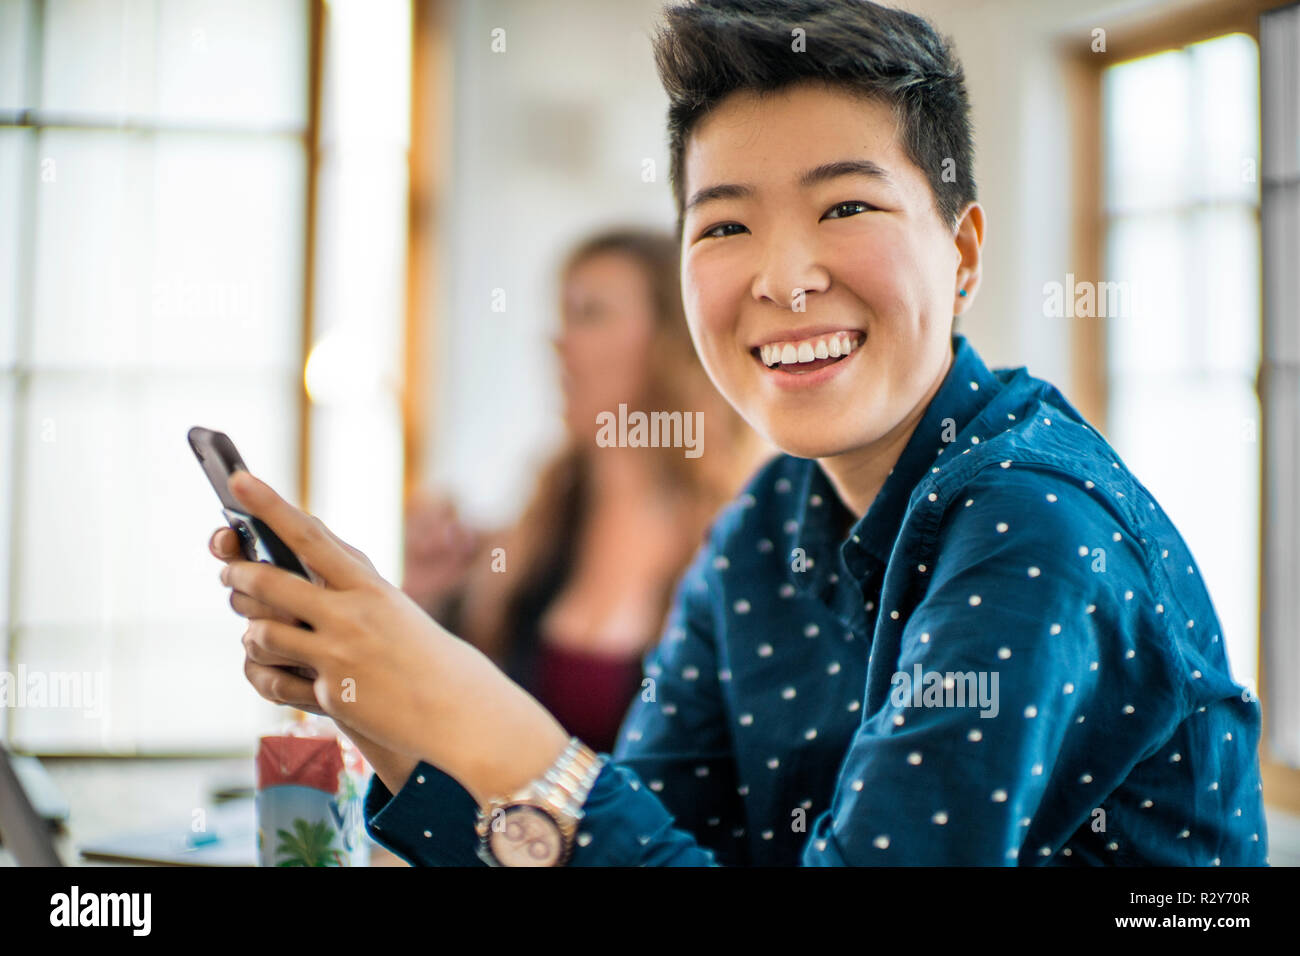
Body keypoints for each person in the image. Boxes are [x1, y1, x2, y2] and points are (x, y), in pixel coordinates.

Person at [209, 0, 1269, 866]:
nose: (781, 277)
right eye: (724, 224)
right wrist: (393, 714)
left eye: (845, 208)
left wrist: (472, 715)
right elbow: (646, 846)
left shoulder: (1032, 522)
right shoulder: (769, 522)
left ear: (963, 253)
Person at [399, 228, 765, 754]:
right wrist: (424, 602)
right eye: (564, 315)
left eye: (590, 314)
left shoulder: (737, 540)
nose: (559, 342)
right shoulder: (532, 532)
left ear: (672, 339)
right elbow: (446, 729)